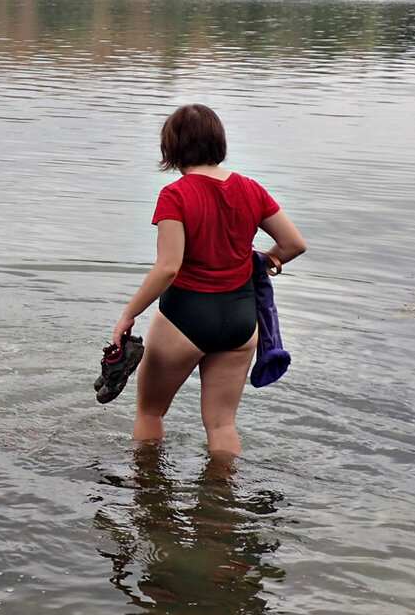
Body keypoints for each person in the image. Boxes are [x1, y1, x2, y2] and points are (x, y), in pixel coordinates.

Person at [112, 104, 306, 455]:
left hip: (187, 316)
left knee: (150, 412)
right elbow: (294, 243)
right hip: (241, 321)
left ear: (171, 148)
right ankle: (221, 503)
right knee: (222, 424)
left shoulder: (175, 195)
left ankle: (149, 499)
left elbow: (168, 267)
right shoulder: (251, 189)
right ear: (218, 142)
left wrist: (129, 314)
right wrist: (267, 261)